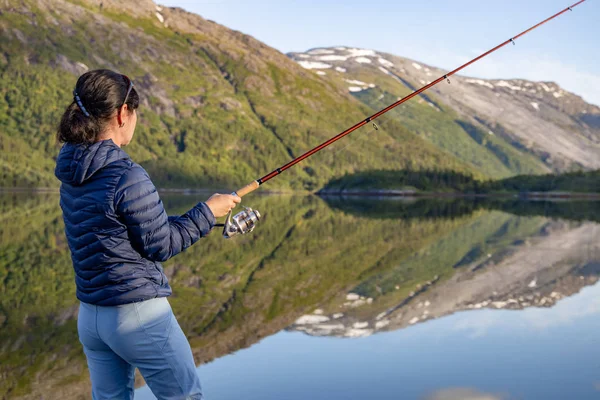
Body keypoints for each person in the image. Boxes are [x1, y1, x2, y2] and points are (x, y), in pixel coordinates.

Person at [54, 69, 240, 400]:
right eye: (135, 112)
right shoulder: (126, 174)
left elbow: (122, 229)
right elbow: (161, 244)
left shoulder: (72, 172)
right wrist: (208, 212)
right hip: (137, 316)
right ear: (122, 113)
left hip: (92, 318)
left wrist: (196, 215)